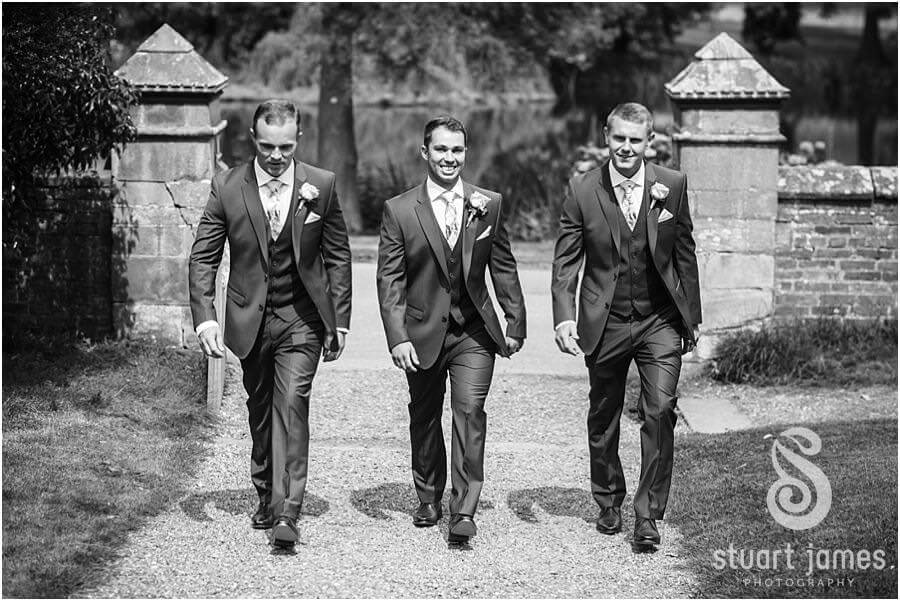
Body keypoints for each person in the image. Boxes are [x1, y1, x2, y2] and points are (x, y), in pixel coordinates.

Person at [189, 99, 351, 548]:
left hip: (302, 320)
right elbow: (203, 257)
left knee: (292, 404)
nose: (277, 156)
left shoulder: (321, 185)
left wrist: (340, 321)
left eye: (285, 146)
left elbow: (337, 256)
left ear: (297, 139)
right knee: (260, 411)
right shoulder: (227, 187)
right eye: (267, 147)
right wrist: (206, 320)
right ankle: (265, 491)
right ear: (252, 140)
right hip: (249, 320)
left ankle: (287, 512)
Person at [551, 102, 701, 548]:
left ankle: (648, 515)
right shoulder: (582, 189)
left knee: (659, 410)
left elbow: (685, 253)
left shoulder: (671, 185)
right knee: (604, 415)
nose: (627, 148)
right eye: (619, 138)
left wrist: (692, 318)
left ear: (649, 142)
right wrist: (563, 316)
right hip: (606, 319)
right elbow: (565, 262)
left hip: (659, 320)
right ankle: (609, 499)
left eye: (636, 140)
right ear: (606, 136)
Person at [376, 115, 526, 543]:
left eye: (457, 150)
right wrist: (397, 336)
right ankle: (428, 495)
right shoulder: (399, 210)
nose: (449, 158)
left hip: (473, 333)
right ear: (425, 152)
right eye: (441, 149)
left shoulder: (488, 203)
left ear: (466, 153)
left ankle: (464, 508)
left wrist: (514, 321)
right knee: (424, 416)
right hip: (421, 330)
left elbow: (503, 265)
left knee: (469, 412)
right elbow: (390, 280)